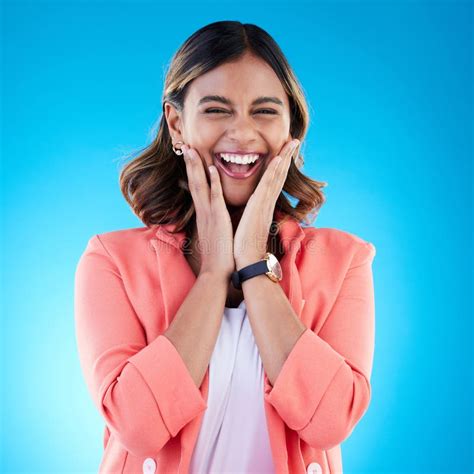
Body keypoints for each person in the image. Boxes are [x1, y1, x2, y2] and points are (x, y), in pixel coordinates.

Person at [74, 20, 376, 474]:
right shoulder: (110, 261)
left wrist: (253, 264)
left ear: (290, 126)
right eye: (217, 110)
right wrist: (215, 272)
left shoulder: (344, 261)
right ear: (177, 124)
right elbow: (137, 426)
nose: (243, 133)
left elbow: (330, 421)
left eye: (265, 111)